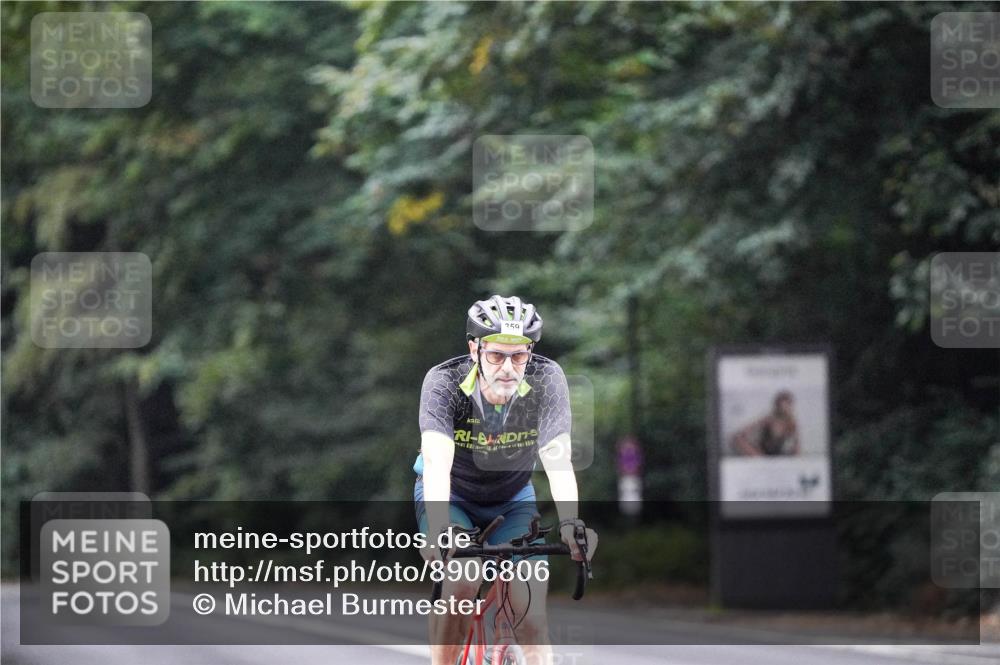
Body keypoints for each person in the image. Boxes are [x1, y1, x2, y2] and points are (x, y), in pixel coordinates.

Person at [414, 295, 597, 665]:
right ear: (474, 349)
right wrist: (437, 529)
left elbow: (558, 459)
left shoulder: (546, 379)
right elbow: (436, 462)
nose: (509, 368)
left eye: (519, 356)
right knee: (463, 579)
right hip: (452, 496)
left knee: (531, 617)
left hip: (513, 498)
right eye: (497, 355)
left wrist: (569, 523)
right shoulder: (445, 383)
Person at [730, 390, 801, 456]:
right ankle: (760, 459)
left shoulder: (792, 423)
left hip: (778, 454)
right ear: (776, 406)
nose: (783, 409)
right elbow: (743, 432)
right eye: (780, 406)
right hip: (761, 453)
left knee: (795, 451)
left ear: (790, 407)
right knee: (737, 438)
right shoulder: (768, 419)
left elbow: (796, 446)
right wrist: (753, 446)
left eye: (786, 406)